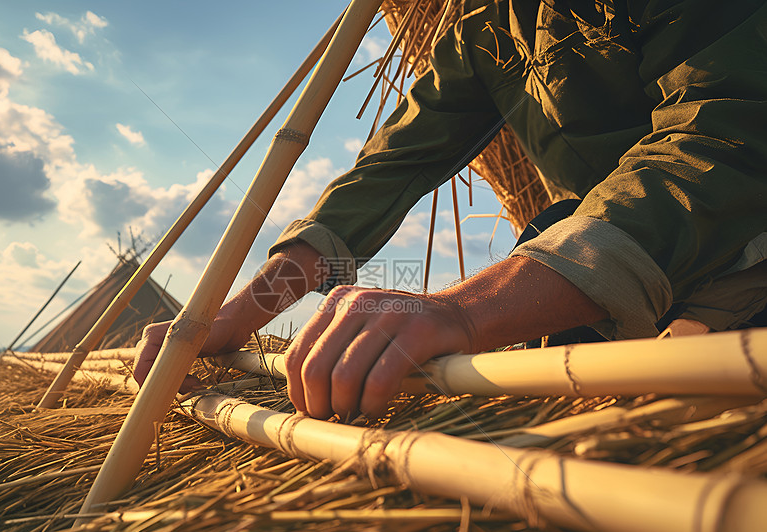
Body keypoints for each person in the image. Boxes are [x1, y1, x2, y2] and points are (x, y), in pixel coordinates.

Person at [135, 0, 767, 420]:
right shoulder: (484, 27)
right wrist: (235, 316)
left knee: (667, 432)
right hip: (600, 266)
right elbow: (388, 171)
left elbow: (723, 136)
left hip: (739, 246)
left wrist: (465, 311)